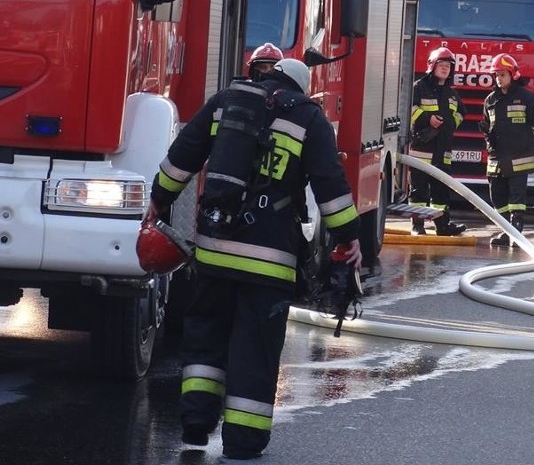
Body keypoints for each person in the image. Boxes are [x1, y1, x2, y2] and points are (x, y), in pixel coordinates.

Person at [149, 58, 361, 460]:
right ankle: (243, 443)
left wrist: (158, 203)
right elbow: (330, 186)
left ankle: (195, 425)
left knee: (205, 338)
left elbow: (182, 157)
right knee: (254, 350)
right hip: (269, 262)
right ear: (302, 87)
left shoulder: (227, 101)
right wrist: (350, 238)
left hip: (214, 250)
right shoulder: (308, 119)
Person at [479, 53, 534, 247]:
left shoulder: (527, 98)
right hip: (496, 157)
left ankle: (516, 231)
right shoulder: (490, 100)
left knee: (516, 197)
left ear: (513, 74)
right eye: (496, 75)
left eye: (503, 74)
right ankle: (505, 230)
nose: (499, 79)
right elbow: (486, 124)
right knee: (497, 196)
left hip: (519, 157)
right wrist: (488, 137)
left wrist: (525, 140)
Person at [408, 46, 467, 236]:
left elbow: (461, 114)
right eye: (441, 65)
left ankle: (442, 226)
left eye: (448, 66)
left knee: (441, 193)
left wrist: (450, 125)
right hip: (421, 150)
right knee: (419, 192)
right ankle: (418, 226)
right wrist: (428, 119)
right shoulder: (419, 87)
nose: (445, 69)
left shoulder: (451, 94)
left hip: (443, 151)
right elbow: (408, 109)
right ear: (432, 66)